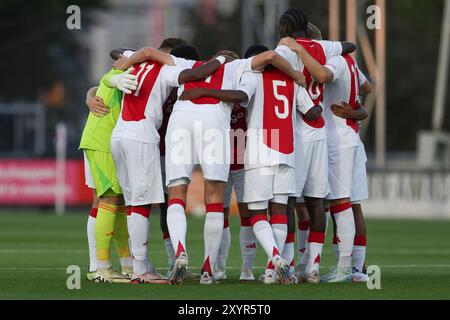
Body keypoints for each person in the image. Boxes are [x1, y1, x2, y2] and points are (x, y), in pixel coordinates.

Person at [167, 48, 305, 285]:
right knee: (221, 204)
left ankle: (182, 252)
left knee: (177, 193)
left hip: (184, 122)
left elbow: (147, 53)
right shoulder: (241, 69)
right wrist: (296, 72)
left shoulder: (187, 63)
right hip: (238, 145)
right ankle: (211, 269)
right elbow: (270, 57)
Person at [109, 44, 225, 284]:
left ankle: (138, 264)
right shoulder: (167, 70)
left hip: (118, 135)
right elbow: (193, 75)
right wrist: (221, 60)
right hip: (140, 135)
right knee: (141, 205)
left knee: (132, 204)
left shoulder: (136, 61)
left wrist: (125, 62)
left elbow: (117, 51)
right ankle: (140, 271)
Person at [281, 24, 373, 282]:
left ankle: (345, 268)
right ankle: (356, 269)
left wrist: (298, 49)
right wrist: (355, 109)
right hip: (350, 137)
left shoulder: (334, 61)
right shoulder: (350, 62)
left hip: (336, 139)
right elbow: (368, 87)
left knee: (340, 203)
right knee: (350, 204)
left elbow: (321, 75)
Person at [79, 49, 137, 283]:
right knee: (108, 200)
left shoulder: (136, 72)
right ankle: (100, 267)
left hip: (108, 142)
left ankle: (127, 265)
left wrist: (90, 93)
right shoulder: (126, 71)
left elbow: (103, 82)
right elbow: (109, 77)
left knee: (117, 202)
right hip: (102, 143)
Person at [214, 103, 256, 282]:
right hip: (218, 160)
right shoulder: (219, 90)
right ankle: (219, 267)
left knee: (246, 213)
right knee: (219, 213)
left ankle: (247, 269)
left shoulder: (245, 87)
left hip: (243, 161)